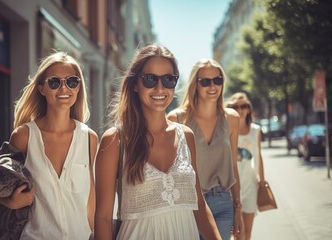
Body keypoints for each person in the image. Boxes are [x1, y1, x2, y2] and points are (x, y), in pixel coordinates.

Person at [94, 44, 221, 240]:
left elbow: (199, 205)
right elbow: (102, 218)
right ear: (135, 84)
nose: (160, 88)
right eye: (150, 79)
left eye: (168, 80)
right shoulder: (115, 140)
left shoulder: (186, 136)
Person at [0, 51, 98, 239]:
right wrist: (10, 202)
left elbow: (90, 200)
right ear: (42, 88)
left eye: (72, 82)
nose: (64, 88)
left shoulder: (89, 138)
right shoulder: (23, 136)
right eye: (54, 82)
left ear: (78, 88)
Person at [167, 58, 243, 240]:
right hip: (189, 202)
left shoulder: (232, 118)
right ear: (195, 85)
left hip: (223, 201)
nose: (212, 86)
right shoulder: (177, 119)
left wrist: (238, 207)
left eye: (217, 80)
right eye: (205, 81)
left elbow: (233, 164)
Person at [226, 92, 266, 240]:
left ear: (248, 109)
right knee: (236, 233)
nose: (240, 109)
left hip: (250, 185)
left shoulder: (255, 130)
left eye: (244, 106)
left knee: (246, 232)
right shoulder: (225, 129)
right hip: (231, 186)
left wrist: (261, 180)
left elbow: (259, 156)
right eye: (236, 106)